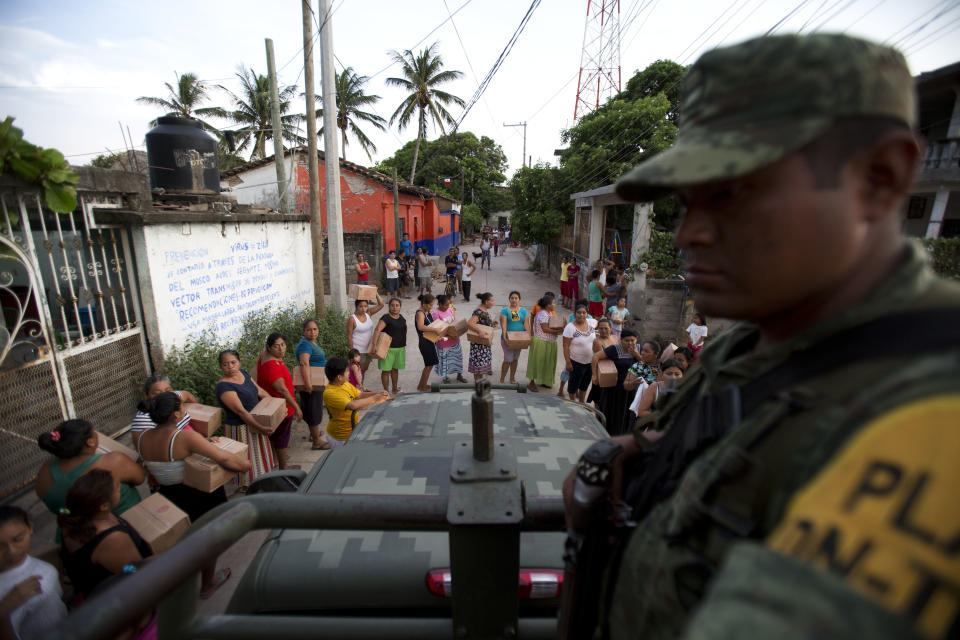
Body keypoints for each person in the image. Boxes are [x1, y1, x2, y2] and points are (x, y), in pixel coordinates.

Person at [561, 33, 960, 640]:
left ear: (880, 178)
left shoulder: (935, 410)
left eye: (731, 193)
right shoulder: (746, 346)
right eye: (686, 201)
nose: (688, 233)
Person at [136, 392, 247, 598]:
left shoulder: (142, 438)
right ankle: (208, 583)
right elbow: (224, 458)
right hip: (197, 492)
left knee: (182, 540)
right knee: (208, 538)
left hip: (168, 494)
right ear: (177, 414)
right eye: (183, 407)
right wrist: (244, 465)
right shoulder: (184, 437)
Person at [59, 469, 152, 599]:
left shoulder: (75, 515)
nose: (120, 490)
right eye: (118, 489)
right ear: (103, 506)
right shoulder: (112, 539)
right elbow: (132, 571)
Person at [36, 419, 143, 529]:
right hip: (122, 523)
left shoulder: (45, 470)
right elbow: (140, 478)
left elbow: (54, 507)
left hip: (74, 531)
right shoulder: (114, 461)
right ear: (90, 441)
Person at [0, 506, 66, 640]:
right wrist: (3, 611)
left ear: (30, 528)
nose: (12, 551)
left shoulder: (35, 564)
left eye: (18, 539)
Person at [215, 349, 277, 489]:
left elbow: (260, 391)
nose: (230, 367)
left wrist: (275, 407)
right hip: (241, 428)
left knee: (260, 458)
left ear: (239, 362)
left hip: (256, 421)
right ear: (220, 367)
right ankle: (250, 489)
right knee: (248, 462)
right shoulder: (224, 386)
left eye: (233, 362)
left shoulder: (242, 373)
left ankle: (262, 483)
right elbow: (241, 411)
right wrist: (260, 428)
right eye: (225, 364)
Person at [256, 333, 302, 470]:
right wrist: (297, 407)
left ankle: (275, 461)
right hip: (281, 408)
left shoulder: (265, 358)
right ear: (269, 348)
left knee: (276, 436)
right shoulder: (272, 366)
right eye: (276, 346)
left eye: (283, 345)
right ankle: (283, 467)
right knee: (281, 438)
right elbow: (282, 390)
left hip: (272, 405)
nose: (281, 349)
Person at [322, 358, 390, 447]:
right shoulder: (330, 393)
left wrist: (378, 393)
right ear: (339, 377)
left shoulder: (344, 384)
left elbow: (359, 395)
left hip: (351, 432)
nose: (349, 373)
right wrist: (374, 399)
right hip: (340, 437)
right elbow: (352, 405)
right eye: (347, 371)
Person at [589, 328, 640, 436]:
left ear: (637, 340)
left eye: (632, 340)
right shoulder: (614, 349)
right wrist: (594, 375)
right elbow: (595, 357)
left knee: (628, 414)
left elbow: (647, 367)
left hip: (633, 390)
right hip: (615, 389)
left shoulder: (640, 349)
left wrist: (636, 354)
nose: (630, 343)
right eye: (627, 340)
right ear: (621, 340)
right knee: (613, 413)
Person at [297, 318, 335, 451]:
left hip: (317, 381)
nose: (312, 332)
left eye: (314, 329)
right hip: (312, 382)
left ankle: (313, 434)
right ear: (304, 331)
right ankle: (317, 442)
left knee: (313, 408)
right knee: (313, 410)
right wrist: (308, 383)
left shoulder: (311, 342)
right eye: (309, 330)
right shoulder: (305, 345)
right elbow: (304, 363)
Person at [129, 374, 196, 446]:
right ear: (146, 396)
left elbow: (187, 395)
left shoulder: (173, 398)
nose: (165, 396)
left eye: (168, 391)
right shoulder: (144, 420)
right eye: (157, 394)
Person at [526, 295, 563, 392]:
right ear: (548, 305)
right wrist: (559, 331)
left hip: (550, 342)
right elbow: (545, 329)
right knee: (537, 362)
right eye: (553, 303)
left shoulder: (550, 313)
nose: (555, 305)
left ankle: (544, 381)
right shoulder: (543, 314)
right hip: (541, 341)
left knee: (548, 362)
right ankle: (531, 383)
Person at [562, 303, 598, 402]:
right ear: (574, 313)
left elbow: (598, 323)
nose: (581, 315)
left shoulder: (592, 322)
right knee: (573, 386)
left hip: (590, 362)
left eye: (584, 313)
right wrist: (568, 363)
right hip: (576, 363)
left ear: (587, 314)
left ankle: (582, 403)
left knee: (584, 385)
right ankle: (574, 404)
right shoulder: (570, 328)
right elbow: (565, 346)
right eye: (579, 313)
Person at [371, 297, 407, 394]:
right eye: (392, 305)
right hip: (387, 349)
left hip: (400, 348)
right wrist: (374, 345)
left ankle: (395, 389)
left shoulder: (402, 318)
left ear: (400, 307)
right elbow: (377, 330)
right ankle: (386, 392)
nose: (394, 308)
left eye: (397, 305)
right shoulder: (385, 318)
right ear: (389, 306)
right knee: (386, 371)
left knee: (395, 369)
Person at [346, 294, 385, 381]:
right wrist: (352, 352)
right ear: (356, 306)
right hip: (358, 350)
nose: (363, 309)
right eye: (361, 306)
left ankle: (360, 388)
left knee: (363, 370)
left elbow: (381, 305)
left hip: (368, 349)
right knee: (357, 372)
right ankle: (356, 390)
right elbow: (349, 336)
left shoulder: (368, 313)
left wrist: (376, 293)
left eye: (365, 306)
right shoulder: (352, 319)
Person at [432, 295, 467, 384]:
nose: (447, 307)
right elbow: (438, 329)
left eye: (448, 305)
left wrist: (458, 329)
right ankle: (445, 378)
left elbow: (454, 321)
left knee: (458, 358)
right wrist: (449, 334)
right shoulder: (436, 313)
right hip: (444, 342)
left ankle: (459, 375)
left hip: (455, 339)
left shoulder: (449, 309)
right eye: (445, 305)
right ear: (440, 304)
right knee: (445, 361)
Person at [498, 291, 531, 384]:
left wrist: (529, 337)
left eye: (516, 298)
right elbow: (503, 325)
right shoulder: (505, 310)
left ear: (519, 300)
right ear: (509, 299)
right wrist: (505, 338)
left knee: (515, 359)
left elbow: (526, 325)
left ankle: (512, 378)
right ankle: (502, 379)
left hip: (519, 340)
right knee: (508, 359)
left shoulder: (523, 311)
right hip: (508, 339)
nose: (514, 300)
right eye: (512, 298)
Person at [467, 292, 497, 381]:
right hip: (478, 345)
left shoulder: (484, 311)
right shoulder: (478, 312)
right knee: (478, 367)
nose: (493, 302)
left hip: (483, 344)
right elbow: (470, 323)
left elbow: (482, 324)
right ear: (486, 302)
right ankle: (477, 384)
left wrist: (491, 324)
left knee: (481, 367)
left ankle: (479, 382)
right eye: (492, 301)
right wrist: (479, 331)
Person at [414, 293, 439, 392]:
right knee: (428, 365)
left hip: (429, 340)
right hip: (424, 342)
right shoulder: (420, 313)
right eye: (430, 305)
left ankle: (421, 385)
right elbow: (420, 327)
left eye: (432, 305)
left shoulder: (427, 311)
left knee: (430, 364)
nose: (431, 307)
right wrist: (435, 330)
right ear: (424, 303)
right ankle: (422, 387)